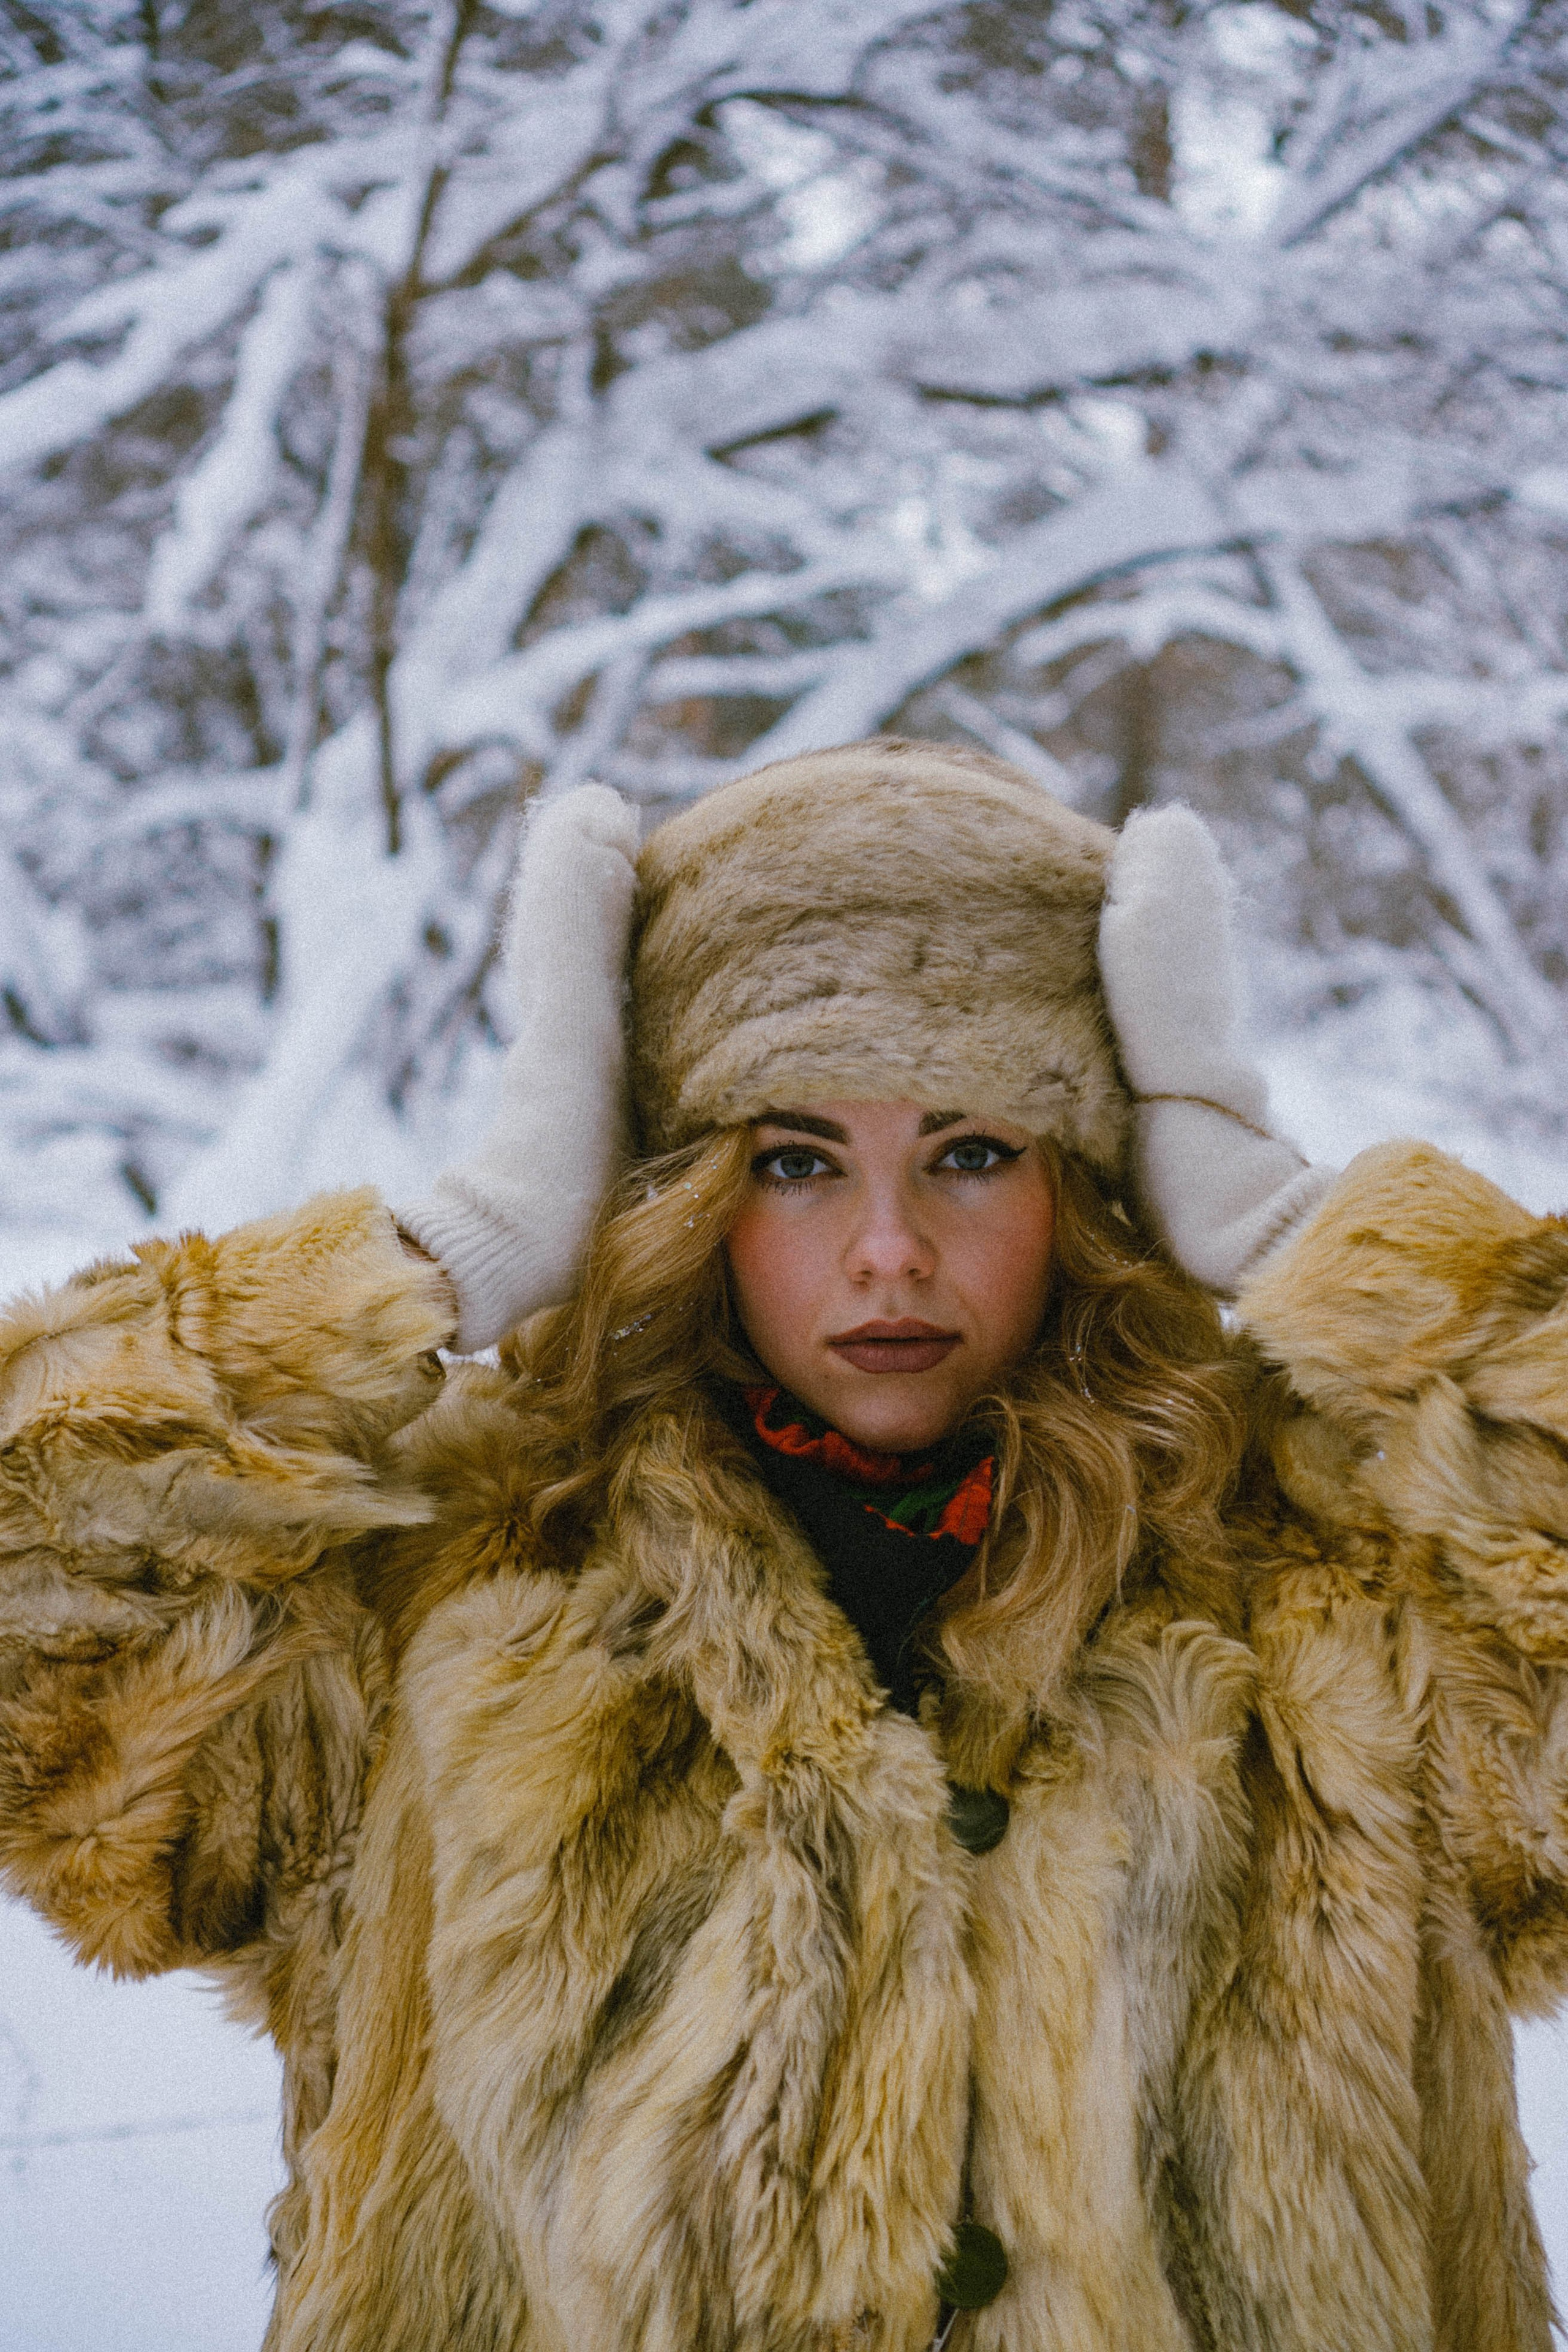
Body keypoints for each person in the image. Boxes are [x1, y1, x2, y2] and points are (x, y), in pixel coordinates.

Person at [0, 737, 1561, 2352]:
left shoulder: (1340, 1589)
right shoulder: (447, 1582)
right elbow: (37, 1619)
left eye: (973, 1151)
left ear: (1094, 1188)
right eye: (793, 1161)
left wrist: (1310, 1232)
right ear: (678, 1191)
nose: (890, 1251)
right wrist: (454, 1249)